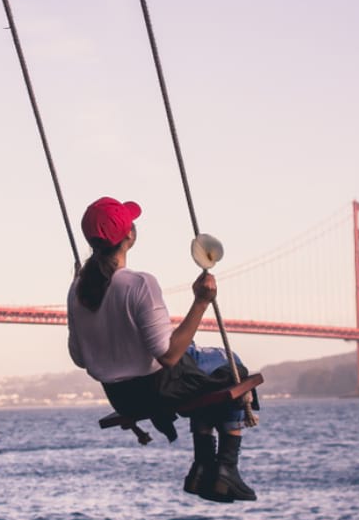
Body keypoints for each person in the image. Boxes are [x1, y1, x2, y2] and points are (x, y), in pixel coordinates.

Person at [66, 196, 258, 503]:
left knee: (204, 368)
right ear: (129, 236)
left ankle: (203, 466)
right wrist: (201, 301)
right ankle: (225, 469)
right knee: (230, 366)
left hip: (123, 397)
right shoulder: (139, 283)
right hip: (162, 388)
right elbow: (168, 356)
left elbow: (79, 358)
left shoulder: (77, 289)